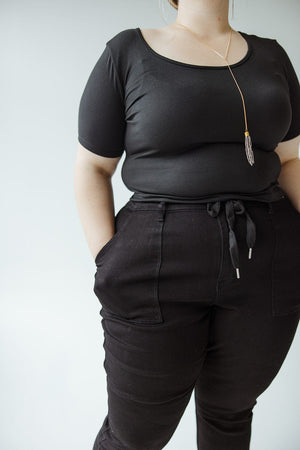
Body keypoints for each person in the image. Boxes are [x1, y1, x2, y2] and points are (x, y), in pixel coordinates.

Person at [75, 0, 300, 448]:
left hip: (267, 257)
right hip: (154, 258)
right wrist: (110, 260)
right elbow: (92, 169)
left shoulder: (273, 56)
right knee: (135, 434)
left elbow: (291, 159)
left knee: (230, 414)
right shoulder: (127, 52)